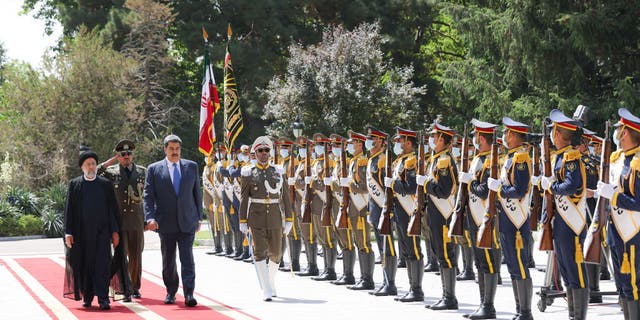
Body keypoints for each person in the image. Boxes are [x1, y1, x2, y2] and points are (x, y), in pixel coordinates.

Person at [540, 109, 590, 320]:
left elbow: (571, 186)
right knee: (566, 269)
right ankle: (572, 315)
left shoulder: (570, 157)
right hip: (561, 220)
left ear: (559, 133)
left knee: (575, 270)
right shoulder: (560, 157)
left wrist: (551, 185)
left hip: (572, 222)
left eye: (553, 131)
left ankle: (578, 316)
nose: (551, 134)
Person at [143, 134, 201, 307]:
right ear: (165, 149)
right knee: (168, 260)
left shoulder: (192, 167)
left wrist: (198, 217)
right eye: (171, 149)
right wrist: (150, 217)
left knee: (187, 259)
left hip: (187, 221)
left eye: (177, 149)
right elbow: (148, 196)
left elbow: (197, 193)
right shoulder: (153, 169)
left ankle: (189, 293)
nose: (175, 152)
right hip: (165, 222)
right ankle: (171, 292)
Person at [595, 108, 640, 320]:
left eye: (620, 130)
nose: (617, 135)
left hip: (633, 232)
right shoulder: (617, 159)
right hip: (615, 231)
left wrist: (613, 196)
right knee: (622, 284)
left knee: (634, 285)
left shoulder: (637, 163)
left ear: (628, 133)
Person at [63, 150, 120, 310]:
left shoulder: (105, 184)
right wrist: (68, 232)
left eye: (93, 164)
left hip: (102, 233)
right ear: (82, 167)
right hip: (81, 235)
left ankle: (103, 298)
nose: (91, 167)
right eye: (88, 164)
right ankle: (87, 297)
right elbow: (69, 210)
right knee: (84, 266)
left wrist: (115, 231)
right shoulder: (75, 185)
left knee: (102, 265)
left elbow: (112, 210)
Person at [239, 136, 293, 301]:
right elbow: (244, 198)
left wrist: (289, 219)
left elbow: (285, 197)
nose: (264, 153)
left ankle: (270, 282)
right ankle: (266, 289)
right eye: (260, 151)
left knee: (276, 253)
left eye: (266, 150)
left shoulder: (277, 171)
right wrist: (242, 221)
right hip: (256, 217)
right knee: (259, 252)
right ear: (255, 153)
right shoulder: (248, 172)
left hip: (275, 217)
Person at [458, 119, 501, 319]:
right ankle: (483, 304)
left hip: (486, 217)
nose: (475, 139)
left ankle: (489, 306)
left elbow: (483, 191)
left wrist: (470, 181)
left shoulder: (490, 161)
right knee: (480, 263)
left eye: (476, 136)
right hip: (475, 217)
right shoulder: (478, 159)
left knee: (488, 262)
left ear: (481, 138)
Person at [97, 139, 146, 300]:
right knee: (120, 255)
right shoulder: (111, 172)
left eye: (129, 154)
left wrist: (147, 219)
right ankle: (123, 287)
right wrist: (111, 160)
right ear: (118, 156)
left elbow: (148, 196)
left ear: (132, 155)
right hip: (119, 222)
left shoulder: (142, 172)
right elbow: (95, 172)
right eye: (123, 154)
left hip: (136, 221)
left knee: (136, 256)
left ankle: (135, 287)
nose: (126, 156)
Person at [417, 122, 459, 310]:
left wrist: (426, 185)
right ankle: (446, 295)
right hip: (435, 214)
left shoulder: (444, 161)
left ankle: (449, 298)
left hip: (443, 215)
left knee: (446, 255)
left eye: (434, 137)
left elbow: (443, 191)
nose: (432, 140)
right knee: (441, 254)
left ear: (442, 139)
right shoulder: (437, 158)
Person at [385, 127, 423, 302]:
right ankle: (411, 287)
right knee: (406, 250)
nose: (396, 144)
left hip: (409, 210)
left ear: (408, 143)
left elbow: (410, 187)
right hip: (400, 210)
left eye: (399, 141)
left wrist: (393, 184)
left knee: (413, 249)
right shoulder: (400, 161)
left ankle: (416, 290)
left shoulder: (411, 161)